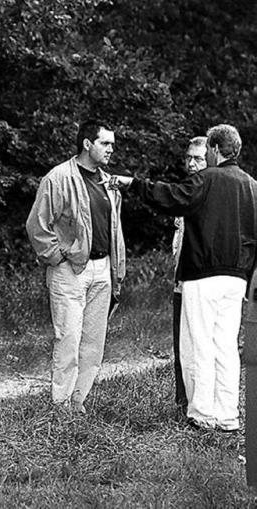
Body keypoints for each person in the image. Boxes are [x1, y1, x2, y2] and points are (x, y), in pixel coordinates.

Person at [113, 124, 257, 431]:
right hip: (237, 280)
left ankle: (202, 413)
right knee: (227, 347)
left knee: (200, 344)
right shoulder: (253, 186)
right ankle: (228, 415)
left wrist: (135, 184)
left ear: (215, 149)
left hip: (203, 275)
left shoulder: (205, 179)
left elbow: (171, 197)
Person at [26, 120, 126, 413]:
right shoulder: (58, 178)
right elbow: (37, 226)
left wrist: (116, 269)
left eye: (112, 144)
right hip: (70, 270)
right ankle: (60, 404)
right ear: (87, 144)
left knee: (93, 341)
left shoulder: (108, 182)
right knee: (68, 337)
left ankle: (78, 401)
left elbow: (115, 228)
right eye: (105, 143)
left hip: (102, 269)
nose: (111, 148)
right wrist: (57, 257)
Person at [171, 136, 207, 417]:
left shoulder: (212, 191)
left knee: (203, 347)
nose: (192, 163)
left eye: (199, 158)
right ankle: (183, 404)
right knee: (180, 346)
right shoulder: (187, 192)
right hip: (181, 283)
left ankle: (203, 405)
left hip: (204, 284)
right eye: (189, 158)